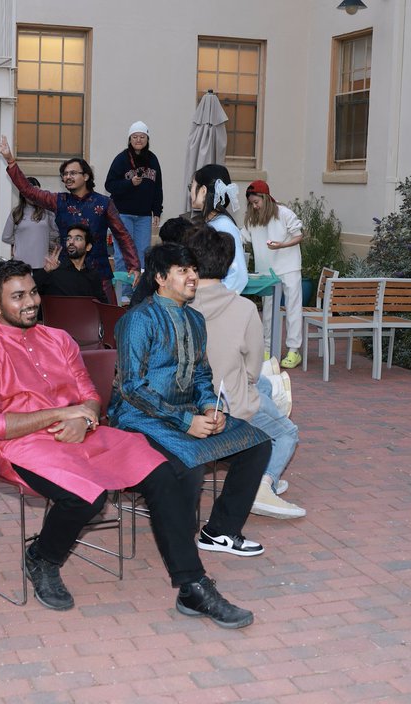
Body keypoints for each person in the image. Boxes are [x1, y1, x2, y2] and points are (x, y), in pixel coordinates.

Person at [0, 259, 255, 627]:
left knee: (165, 473)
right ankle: (43, 558)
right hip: (23, 445)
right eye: (17, 297)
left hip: (86, 434)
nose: (30, 302)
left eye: (33, 292)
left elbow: (90, 397)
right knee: (88, 494)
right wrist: (62, 416)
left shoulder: (59, 339)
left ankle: (192, 586)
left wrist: (84, 418)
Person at [113, 243, 271, 557]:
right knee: (190, 461)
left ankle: (220, 531)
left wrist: (212, 407)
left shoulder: (195, 320)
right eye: (183, 271)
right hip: (137, 418)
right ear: (160, 278)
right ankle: (181, 550)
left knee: (257, 444)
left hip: (186, 415)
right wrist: (186, 422)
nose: (193, 277)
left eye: (194, 270)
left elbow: (201, 375)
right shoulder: (140, 320)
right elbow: (132, 387)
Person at [185, 225, 305, 519]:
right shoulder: (243, 308)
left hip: (185, 401)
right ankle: (263, 486)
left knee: (263, 387)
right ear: (227, 266)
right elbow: (250, 369)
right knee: (287, 432)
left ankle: (263, 473)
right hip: (226, 405)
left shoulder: (178, 305)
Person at [0, 135, 138, 304]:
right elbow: (29, 191)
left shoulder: (104, 203)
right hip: (65, 275)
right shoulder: (59, 201)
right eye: (64, 174)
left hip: (99, 274)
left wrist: (133, 265)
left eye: (73, 173)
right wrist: (11, 161)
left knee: (108, 320)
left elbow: (122, 235)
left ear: (86, 176)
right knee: (65, 319)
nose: (67, 177)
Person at [243, 180, 305, 369]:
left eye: (256, 202)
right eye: (251, 203)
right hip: (267, 271)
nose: (254, 206)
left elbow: (299, 234)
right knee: (269, 311)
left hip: (289, 266)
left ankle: (294, 351)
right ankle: (268, 349)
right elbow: (242, 236)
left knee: (293, 308)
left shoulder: (284, 213)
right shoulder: (252, 218)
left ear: (265, 198)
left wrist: (282, 245)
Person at [105, 121, 164, 300]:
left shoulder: (153, 159)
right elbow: (109, 185)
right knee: (123, 254)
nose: (138, 140)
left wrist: (157, 211)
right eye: (135, 137)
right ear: (130, 139)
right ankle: (124, 294)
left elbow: (158, 188)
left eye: (142, 137)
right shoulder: (121, 159)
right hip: (122, 214)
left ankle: (139, 293)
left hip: (144, 216)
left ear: (147, 139)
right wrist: (129, 183)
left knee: (142, 254)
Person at [190, 164, 248, 294]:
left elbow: (239, 276)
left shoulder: (224, 225)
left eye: (191, 186)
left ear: (203, 190)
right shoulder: (210, 222)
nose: (190, 192)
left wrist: (215, 300)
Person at [33, 224, 108, 302]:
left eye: (78, 239)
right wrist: (45, 271)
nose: (71, 242)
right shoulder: (54, 270)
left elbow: (104, 306)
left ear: (88, 247)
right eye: (69, 238)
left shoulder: (93, 275)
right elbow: (28, 290)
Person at [0, 176, 59, 267]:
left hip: (42, 263)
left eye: (36, 192)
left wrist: (43, 238)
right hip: (21, 263)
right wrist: (22, 240)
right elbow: (6, 237)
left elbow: (56, 232)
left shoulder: (47, 211)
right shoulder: (16, 212)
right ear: (23, 193)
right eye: (30, 191)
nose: (33, 195)